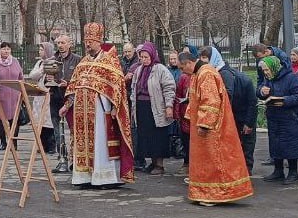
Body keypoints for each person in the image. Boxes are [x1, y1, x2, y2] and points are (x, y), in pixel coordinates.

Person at [60, 22, 135, 187]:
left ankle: (105, 178)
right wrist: (67, 104)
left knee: (100, 145)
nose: (87, 44)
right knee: (83, 143)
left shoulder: (109, 61)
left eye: (91, 41)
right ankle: (85, 177)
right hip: (82, 112)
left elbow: (118, 84)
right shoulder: (83, 63)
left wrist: (115, 107)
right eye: (86, 41)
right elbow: (73, 86)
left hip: (101, 111)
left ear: (99, 41)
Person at [179, 49, 254, 205]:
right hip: (204, 125)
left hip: (212, 128)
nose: (182, 71)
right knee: (206, 160)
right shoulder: (199, 73)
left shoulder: (206, 74)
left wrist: (204, 124)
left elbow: (211, 101)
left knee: (215, 159)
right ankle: (207, 192)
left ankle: (216, 194)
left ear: (189, 63)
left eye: (182, 67)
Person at [257, 54, 298, 184]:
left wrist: (285, 101)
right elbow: (259, 91)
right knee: (276, 144)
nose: (265, 73)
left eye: (267, 70)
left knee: (291, 145)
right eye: (264, 71)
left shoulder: (292, 78)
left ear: (274, 67)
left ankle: (293, 173)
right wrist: (261, 91)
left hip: (291, 118)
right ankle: (278, 170)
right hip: (275, 117)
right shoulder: (269, 79)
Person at [131, 42, 176, 175]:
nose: (144, 60)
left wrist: (169, 106)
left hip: (155, 107)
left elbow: (169, 88)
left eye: (146, 57)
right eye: (142, 57)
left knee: (158, 136)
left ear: (152, 55)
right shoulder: (139, 70)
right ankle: (152, 162)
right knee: (145, 136)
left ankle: (160, 165)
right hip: (142, 107)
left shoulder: (160, 69)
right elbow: (134, 88)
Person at [212, 46, 257, 172]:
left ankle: (246, 170)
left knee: (246, 144)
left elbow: (252, 103)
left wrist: (249, 123)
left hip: (241, 116)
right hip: (235, 116)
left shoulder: (237, 79)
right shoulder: (223, 75)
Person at [50, 34, 82, 173]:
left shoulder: (77, 60)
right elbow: (47, 80)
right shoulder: (53, 60)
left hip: (71, 99)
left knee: (74, 131)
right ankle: (62, 159)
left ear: (70, 44)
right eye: (58, 43)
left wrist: (68, 84)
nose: (60, 45)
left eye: (63, 42)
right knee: (58, 131)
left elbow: (80, 81)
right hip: (55, 97)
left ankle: (75, 160)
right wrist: (49, 79)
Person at [26, 42, 58, 153]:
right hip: (39, 96)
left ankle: (51, 146)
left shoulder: (54, 62)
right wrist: (42, 69)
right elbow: (32, 76)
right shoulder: (40, 63)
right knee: (39, 121)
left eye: (42, 50)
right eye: (39, 50)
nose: (40, 52)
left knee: (48, 121)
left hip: (49, 95)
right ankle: (41, 145)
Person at [0, 41, 24, 150]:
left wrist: (22, 91)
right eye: (3, 48)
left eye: (8, 49)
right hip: (0, 94)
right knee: (0, 118)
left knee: (14, 119)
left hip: (14, 95)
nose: (6, 51)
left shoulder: (15, 61)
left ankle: (13, 142)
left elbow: (20, 76)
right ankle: (3, 142)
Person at [172, 46, 196, 176]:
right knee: (186, 141)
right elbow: (178, 94)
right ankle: (187, 163)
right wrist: (177, 113)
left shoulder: (198, 75)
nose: (182, 71)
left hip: (197, 115)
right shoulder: (183, 78)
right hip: (184, 113)